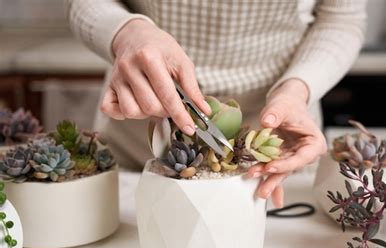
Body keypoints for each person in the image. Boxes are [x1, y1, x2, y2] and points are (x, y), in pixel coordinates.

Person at [66, 0, 366, 208]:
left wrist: (297, 89)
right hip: (143, 116)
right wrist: (127, 32)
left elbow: (341, 17)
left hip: (278, 132)